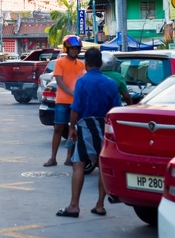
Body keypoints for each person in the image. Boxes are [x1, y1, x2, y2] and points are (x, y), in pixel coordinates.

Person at [57, 47, 120, 218]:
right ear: (100, 63)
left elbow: (75, 109)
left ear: (86, 63)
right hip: (105, 127)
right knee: (102, 167)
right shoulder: (110, 83)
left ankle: (74, 206)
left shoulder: (82, 82)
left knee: (79, 164)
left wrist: (71, 128)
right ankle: (100, 205)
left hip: (86, 126)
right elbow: (116, 109)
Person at [44, 35, 85, 167]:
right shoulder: (60, 62)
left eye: (76, 48)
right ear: (67, 49)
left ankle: (69, 157)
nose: (74, 51)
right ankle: (53, 158)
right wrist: (73, 93)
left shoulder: (81, 64)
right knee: (58, 129)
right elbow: (59, 81)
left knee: (73, 130)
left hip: (76, 102)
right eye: (72, 48)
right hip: (62, 101)